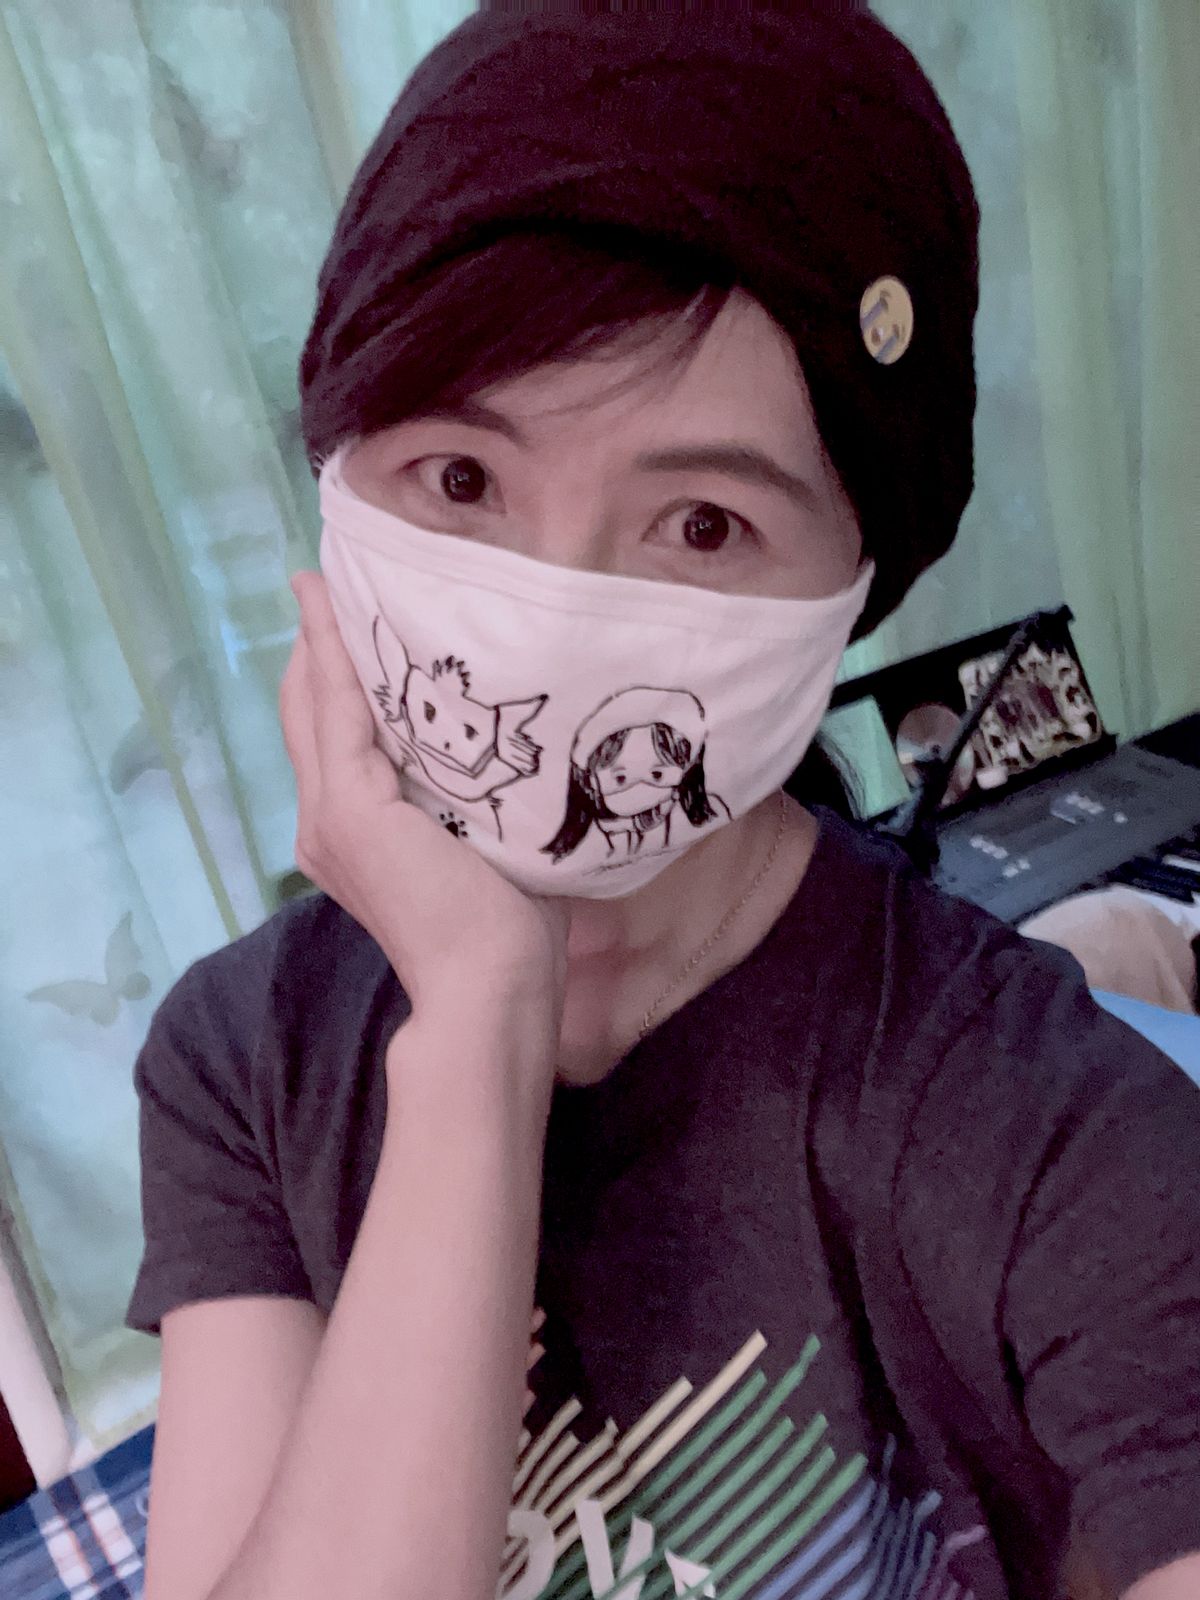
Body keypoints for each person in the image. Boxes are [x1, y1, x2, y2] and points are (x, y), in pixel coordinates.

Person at [124, 7, 1200, 1600]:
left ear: (854, 583)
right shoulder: (246, 1062)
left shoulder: (1038, 1124)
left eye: (701, 525)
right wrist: (479, 1027)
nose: (553, 623)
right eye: (464, 480)